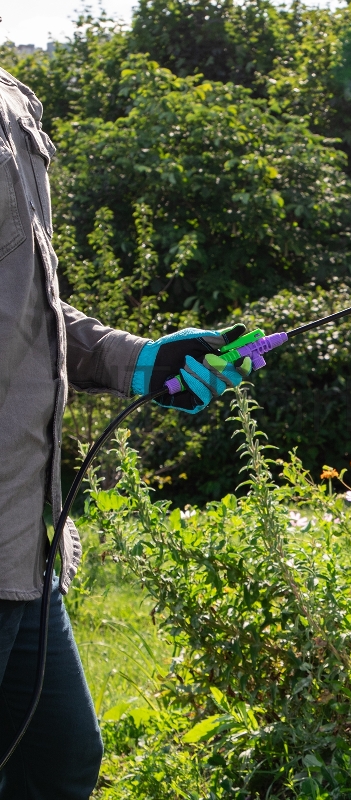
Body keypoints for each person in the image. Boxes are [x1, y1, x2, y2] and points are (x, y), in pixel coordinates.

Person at [0, 66, 251, 798]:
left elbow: (26, 308)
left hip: (25, 548)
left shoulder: (12, 95)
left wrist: (140, 361)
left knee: (60, 763)